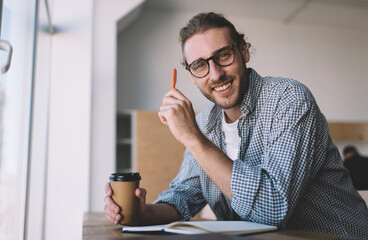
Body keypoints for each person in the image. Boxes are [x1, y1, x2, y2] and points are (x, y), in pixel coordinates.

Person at [104, 12, 368, 238]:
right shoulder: (205, 123)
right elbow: (183, 197)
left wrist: (194, 139)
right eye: (200, 65)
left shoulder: (288, 99)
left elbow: (272, 208)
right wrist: (142, 213)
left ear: (243, 51)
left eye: (223, 55)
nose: (216, 74)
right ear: (192, 77)